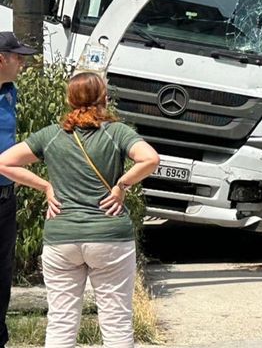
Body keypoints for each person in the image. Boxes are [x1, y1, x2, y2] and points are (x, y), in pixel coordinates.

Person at [0, 72, 160, 347]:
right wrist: (121, 185)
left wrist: (46, 187)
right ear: (104, 99)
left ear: (69, 99)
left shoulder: (51, 135)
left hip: (62, 236)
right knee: (116, 321)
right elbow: (151, 159)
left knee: (61, 322)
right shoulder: (117, 133)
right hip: (110, 236)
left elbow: (4, 163)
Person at [0, 31, 36, 348]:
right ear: (1, 58)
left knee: (1, 278)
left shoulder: (11, 92)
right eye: (18, 56)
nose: (22, 62)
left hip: (5, 200)